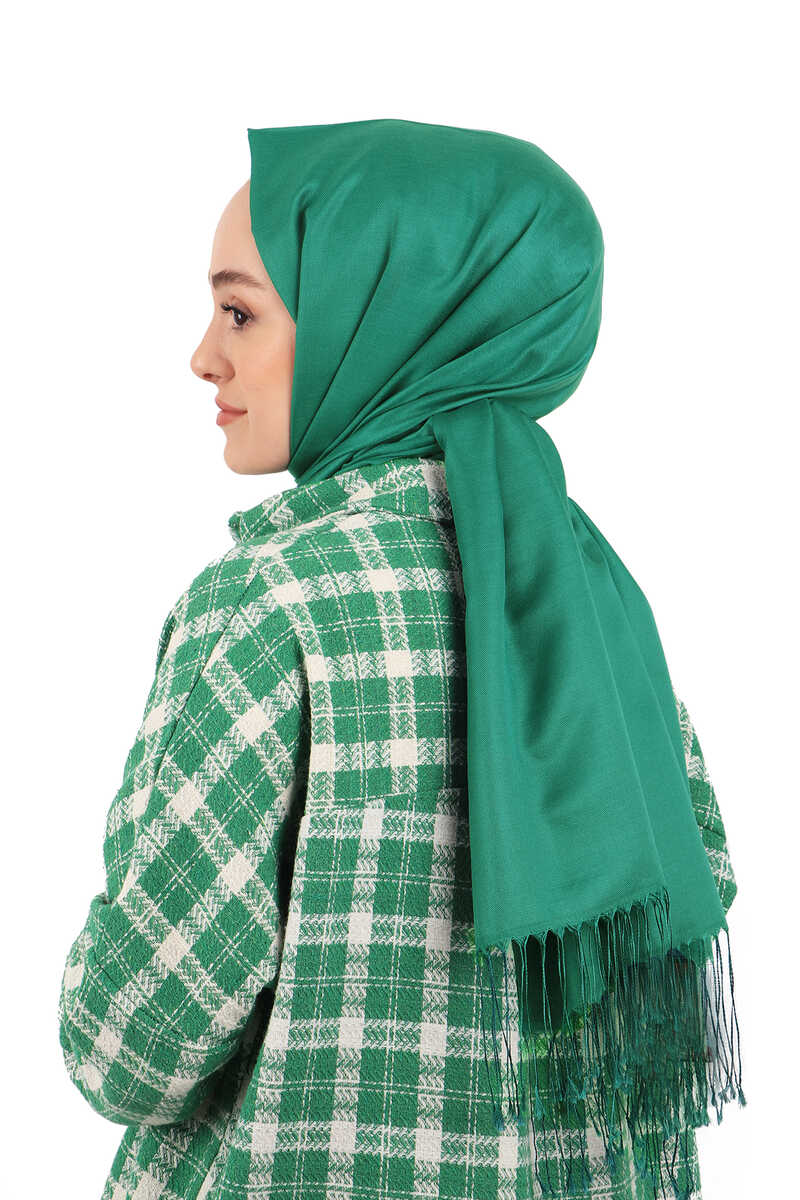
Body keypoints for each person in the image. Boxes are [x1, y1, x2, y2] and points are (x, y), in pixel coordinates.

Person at [58, 119, 743, 1200]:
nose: (203, 357)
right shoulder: (592, 603)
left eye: (240, 312)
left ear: (375, 317)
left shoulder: (269, 604)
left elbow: (137, 1044)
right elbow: (671, 954)